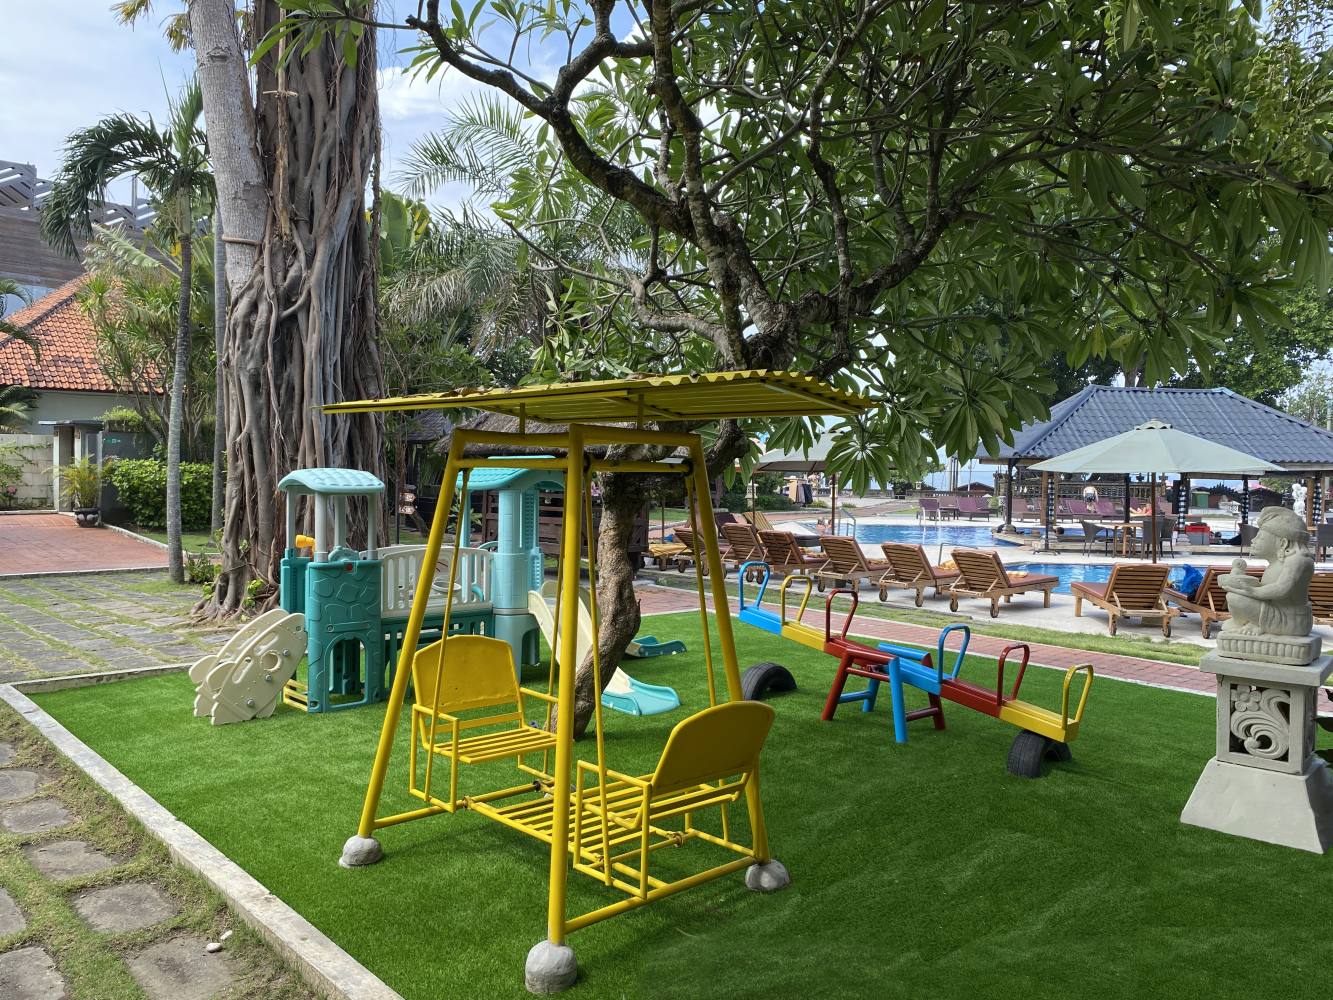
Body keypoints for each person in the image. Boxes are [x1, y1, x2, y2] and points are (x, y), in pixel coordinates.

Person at [1220, 506, 1314, 637]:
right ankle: (1247, 623)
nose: (1253, 540)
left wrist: (1249, 590)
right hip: (1275, 611)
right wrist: (1242, 581)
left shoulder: (1298, 560)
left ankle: (1255, 624)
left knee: (1235, 598)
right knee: (1233, 596)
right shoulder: (1275, 563)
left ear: (1282, 543)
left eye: (1260, 538)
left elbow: (1280, 590)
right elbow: (1266, 589)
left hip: (1290, 619)